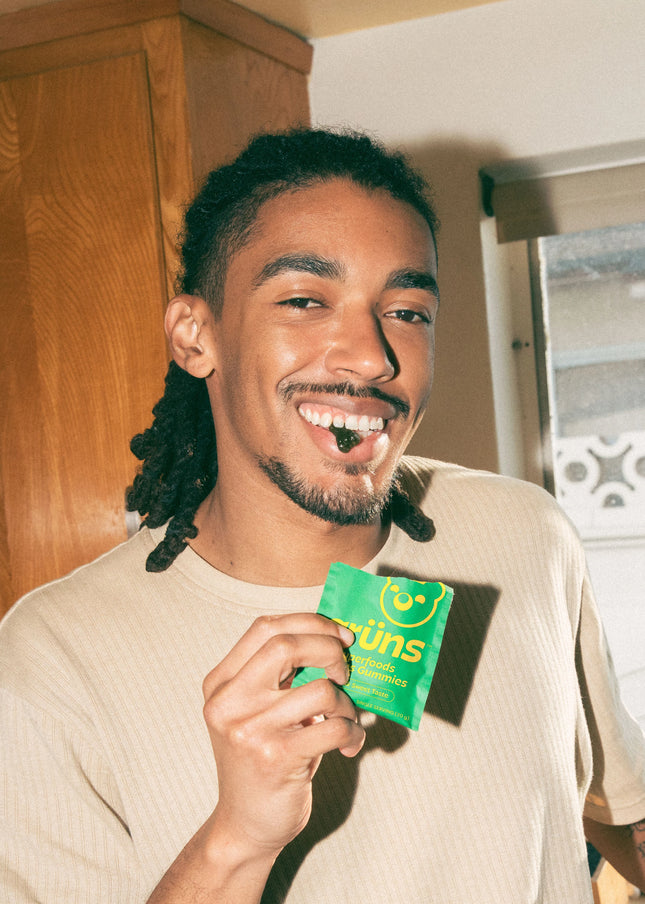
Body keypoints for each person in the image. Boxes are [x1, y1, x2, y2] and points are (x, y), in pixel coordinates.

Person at [1, 128, 644, 904]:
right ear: (195, 337)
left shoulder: (525, 535)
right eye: (304, 301)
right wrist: (235, 841)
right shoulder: (52, 655)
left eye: (405, 310)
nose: (370, 356)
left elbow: (616, 809)